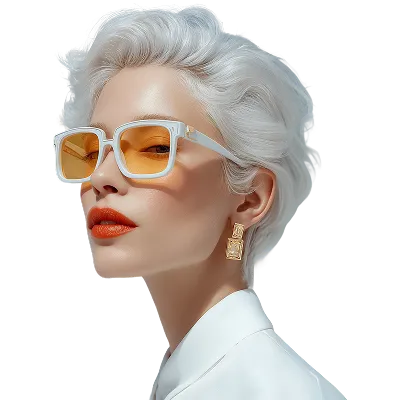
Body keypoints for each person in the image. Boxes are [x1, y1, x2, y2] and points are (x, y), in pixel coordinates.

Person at [54, 4, 344, 400]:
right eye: (90, 150)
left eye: (155, 147)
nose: (101, 177)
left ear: (251, 197)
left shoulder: (265, 391)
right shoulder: (209, 379)